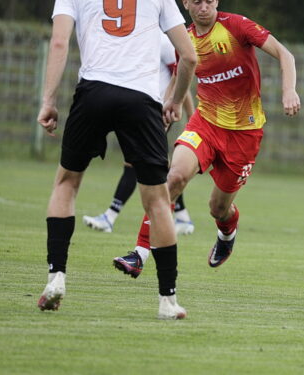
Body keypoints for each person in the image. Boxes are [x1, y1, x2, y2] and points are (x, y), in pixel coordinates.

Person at [111, 0, 301, 279]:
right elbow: (179, 74)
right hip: (205, 124)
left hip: (244, 134)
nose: (203, 6)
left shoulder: (237, 26)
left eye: (209, 0)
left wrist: (289, 91)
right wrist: (168, 105)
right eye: (196, 1)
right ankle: (139, 254)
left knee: (219, 208)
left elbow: (286, 55)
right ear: (186, 3)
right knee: (173, 178)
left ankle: (227, 233)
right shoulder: (185, 38)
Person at [36, 0, 197, 319]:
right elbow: (189, 56)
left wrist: (49, 101)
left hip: (94, 92)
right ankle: (168, 300)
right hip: (141, 100)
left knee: (67, 182)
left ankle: (56, 277)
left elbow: (58, 42)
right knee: (158, 201)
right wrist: (175, 102)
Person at [82, 34, 196, 236]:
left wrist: (191, 115)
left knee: (136, 163)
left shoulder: (163, 40)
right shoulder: (134, 38)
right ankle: (183, 216)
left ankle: (110, 216)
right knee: (156, 165)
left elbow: (181, 78)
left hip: (157, 112)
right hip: (137, 110)